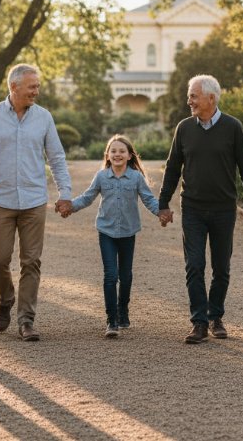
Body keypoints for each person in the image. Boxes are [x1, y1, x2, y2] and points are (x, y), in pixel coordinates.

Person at [0, 63, 72, 342]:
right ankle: (6, 298)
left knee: (31, 261)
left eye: (37, 86)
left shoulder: (44, 118)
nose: (37, 91)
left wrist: (65, 192)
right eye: (32, 86)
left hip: (34, 200)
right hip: (0, 200)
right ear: (14, 87)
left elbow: (56, 158)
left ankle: (26, 320)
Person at [158, 75, 243, 344]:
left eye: (193, 96)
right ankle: (199, 322)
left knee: (221, 267)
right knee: (194, 265)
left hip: (223, 209)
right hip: (192, 207)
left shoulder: (232, 127)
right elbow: (172, 167)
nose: (188, 100)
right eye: (190, 95)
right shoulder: (184, 128)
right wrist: (163, 203)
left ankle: (215, 316)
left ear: (210, 99)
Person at [63, 135, 160, 337]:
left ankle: (123, 310)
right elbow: (88, 197)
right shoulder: (101, 176)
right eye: (113, 151)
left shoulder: (135, 177)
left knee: (125, 276)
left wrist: (162, 212)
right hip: (106, 231)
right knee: (110, 275)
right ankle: (112, 319)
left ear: (130, 155)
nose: (117, 154)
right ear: (107, 155)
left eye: (122, 151)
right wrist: (70, 206)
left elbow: (149, 199)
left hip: (128, 231)